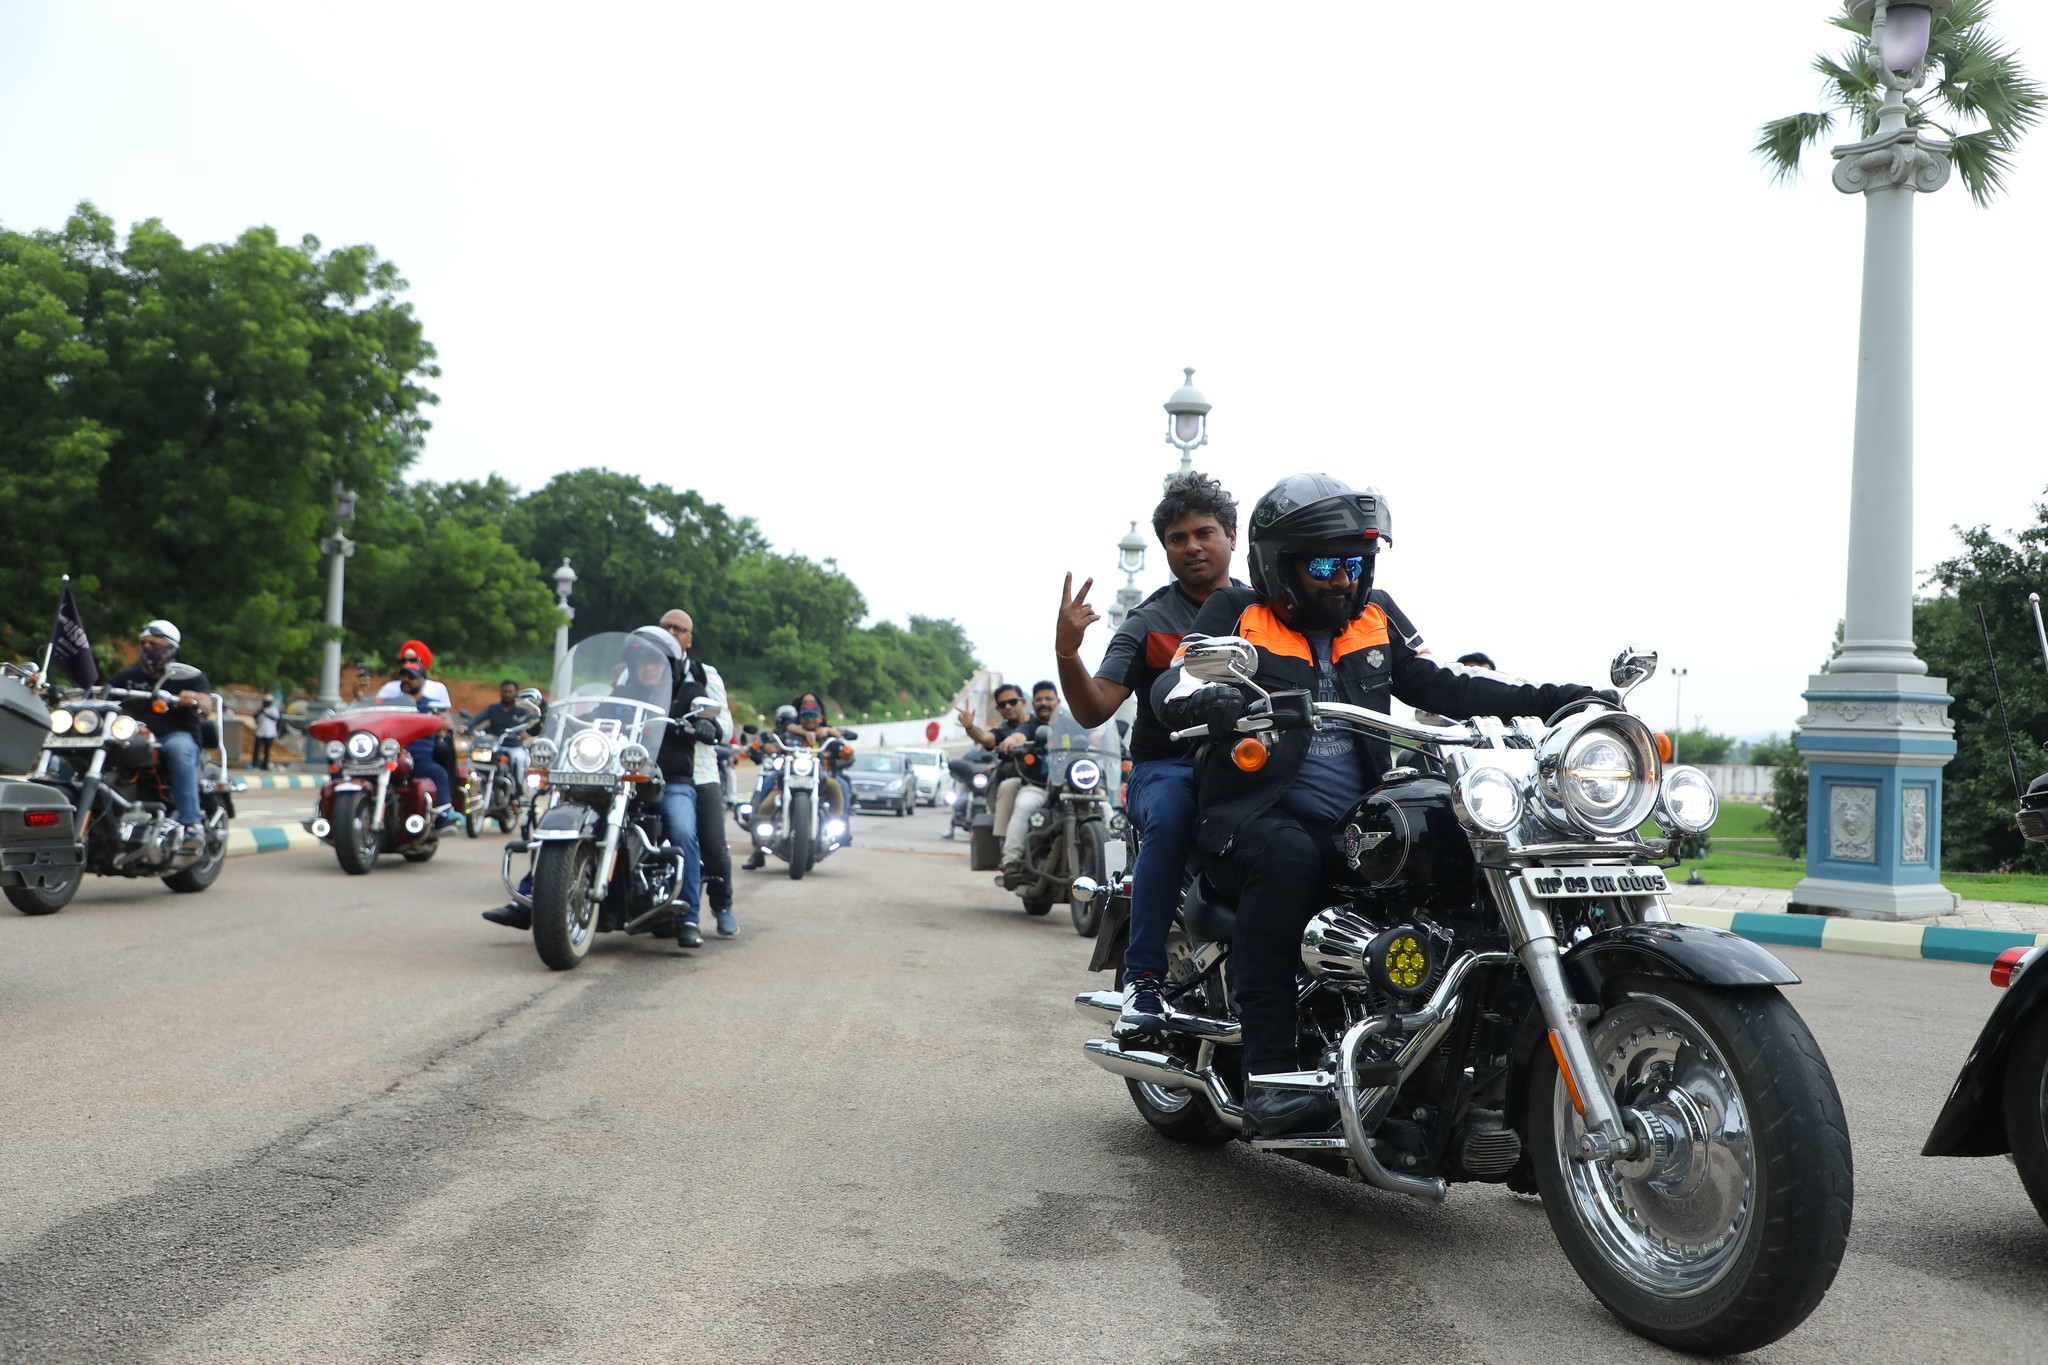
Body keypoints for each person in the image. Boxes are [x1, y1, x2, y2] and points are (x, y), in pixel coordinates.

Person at [1153, 473, 1612, 1137]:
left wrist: (1555, 698)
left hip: (1349, 821)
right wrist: (1208, 699)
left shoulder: (1377, 615)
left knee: (1452, 853)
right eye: (1327, 565)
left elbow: (1442, 686)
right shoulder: (1235, 614)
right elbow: (1175, 682)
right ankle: (1271, 1075)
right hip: (1252, 818)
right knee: (1287, 857)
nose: (1345, 580)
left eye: (1357, 563)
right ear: (1279, 566)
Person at [1053, 470, 1241, 1034]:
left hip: (1251, 767)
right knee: (1176, 814)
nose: (1192, 547)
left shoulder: (1266, 612)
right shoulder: (1149, 621)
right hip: (1169, 769)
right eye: (1178, 539)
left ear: (1232, 536)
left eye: (1204, 533)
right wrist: (1066, 651)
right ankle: (1143, 980)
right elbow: (1093, 710)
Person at [659, 610, 737, 944]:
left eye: (680, 629)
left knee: (713, 845)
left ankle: (722, 905)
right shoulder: (634, 670)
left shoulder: (704, 674)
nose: (672, 632)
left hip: (698, 772)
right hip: (643, 768)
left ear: (690, 638)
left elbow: (727, 726)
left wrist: (711, 727)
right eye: (666, 627)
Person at [106, 620, 212, 844]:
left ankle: (191, 824)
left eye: (153, 643)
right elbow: (101, 695)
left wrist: (193, 699)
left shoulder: (189, 676)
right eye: (143, 643)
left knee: (179, 750)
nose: (146, 648)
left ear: (171, 647)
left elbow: (206, 704)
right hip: (132, 736)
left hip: (173, 735)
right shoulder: (128, 678)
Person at [374, 639, 457, 830]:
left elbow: (446, 722)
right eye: (403, 676)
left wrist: (436, 721)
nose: (406, 681)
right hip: (391, 755)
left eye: (411, 677)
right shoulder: (391, 702)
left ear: (421, 680)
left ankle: (444, 814)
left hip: (418, 758)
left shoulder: (431, 704)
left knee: (439, 774)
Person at [991, 680, 1059, 882]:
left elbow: (1092, 734)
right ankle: (1010, 860)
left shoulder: (1071, 723)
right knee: (1023, 806)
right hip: (1038, 787)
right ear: (1033, 703)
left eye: (1049, 698)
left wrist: (1101, 737)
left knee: (1105, 810)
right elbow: (1019, 736)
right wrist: (1009, 742)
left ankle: (1117, 867)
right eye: (1039, 699)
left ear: (1058, 701)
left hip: (1074, 787)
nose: (1044, 703)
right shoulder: (1031, 726)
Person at [470, 678, 539, 788]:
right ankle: (481, 784)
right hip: (495, 745)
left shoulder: (522, 712)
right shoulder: (493, 708)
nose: (507, 694)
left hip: (514, 746)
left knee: (519, 759)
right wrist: (466, 726)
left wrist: (524, 734)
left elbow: (529, 726)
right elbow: (478, 718)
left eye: (510, 692)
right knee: (476, 757)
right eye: (504, 691)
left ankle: (516, 794)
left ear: (515, 693)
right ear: (501, 692)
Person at [252, 696, 280, 771]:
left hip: (270, 733)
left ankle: (265, 765)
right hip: (260, 732)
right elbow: (254, 716)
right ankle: (255, 764)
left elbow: (276, 718)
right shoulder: (260, 709)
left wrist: (266, 713)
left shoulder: (274, 709)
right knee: (256, 750)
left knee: (267, 750)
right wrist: (261, 710)